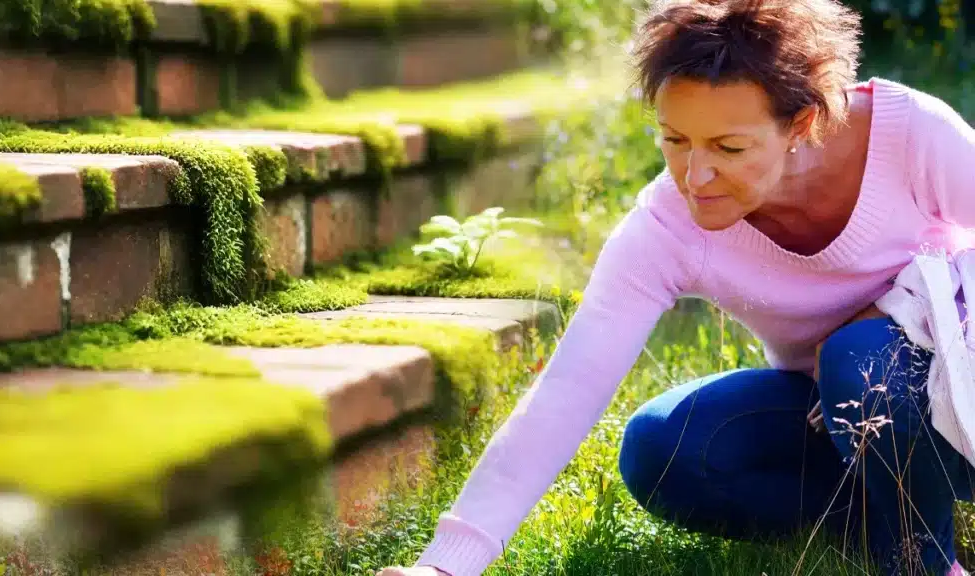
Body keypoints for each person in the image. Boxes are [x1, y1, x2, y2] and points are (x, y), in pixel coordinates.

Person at [378, 0, 975, 574]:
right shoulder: (665, 228)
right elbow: (566, 390)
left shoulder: (907, 135)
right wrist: (445, 565)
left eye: (729, 147)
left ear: (803, 122)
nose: (696, 177)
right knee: (663, 449)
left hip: (956, 386)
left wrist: (893, 310)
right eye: (675, 140)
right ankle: (875, 518)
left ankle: (921, 561)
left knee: (857, 359)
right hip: (837, 416)